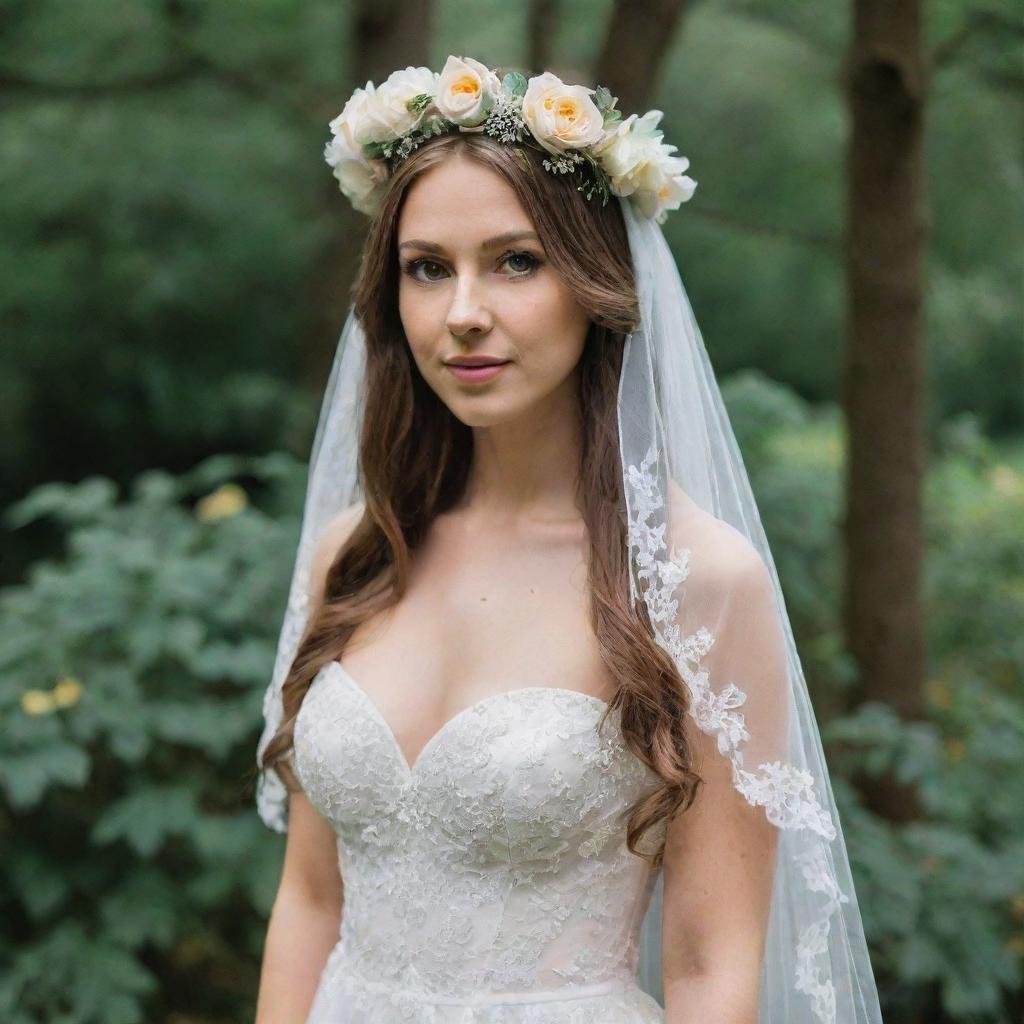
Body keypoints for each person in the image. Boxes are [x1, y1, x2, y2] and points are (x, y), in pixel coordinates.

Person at [253, 57, 884, 1024]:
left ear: (598, 285)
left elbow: (714, 962)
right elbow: (310, 901)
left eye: (516, 261)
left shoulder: (698, 581)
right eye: (429, 268)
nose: (464, 313)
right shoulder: (355, 552)